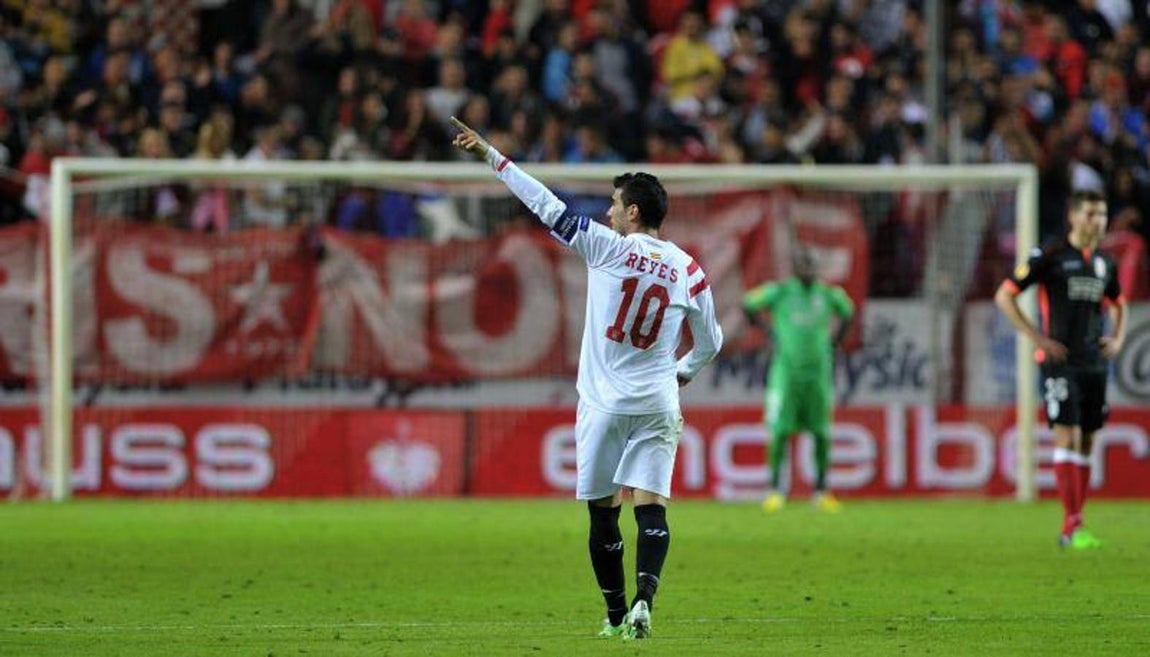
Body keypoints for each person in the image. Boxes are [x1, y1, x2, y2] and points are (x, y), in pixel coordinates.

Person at [450, 116, 724, 640]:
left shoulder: (607, 246)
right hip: (658, 402)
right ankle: (647, 599)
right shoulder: (690, 270)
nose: (608, 211)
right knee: (652, 508)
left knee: (603, 516)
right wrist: (682, 373)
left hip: (603, 405)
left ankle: (616, 614)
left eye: (615, 205)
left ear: (633, 212)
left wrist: (491, 155)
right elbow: (711, 342)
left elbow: (545, 205)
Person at [995, 189, 1127, 550]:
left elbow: (1118, 303)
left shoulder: (1104, 262)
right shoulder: (1050, 254)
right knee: (1066, 437)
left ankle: (1076, 522)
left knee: (1085, 441)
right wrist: (1036, 337)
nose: (1097, 221)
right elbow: (1005, 294)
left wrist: (1117, 339)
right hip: (1059, 362)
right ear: (1073, 216)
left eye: (1101, 215)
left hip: (1094, 364)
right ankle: (1071, 524)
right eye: (1090, 214)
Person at [742, 247, 855, 514]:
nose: (808, 271)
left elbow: (848, 312)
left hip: (818, 375)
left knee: (821, 433)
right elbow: (748, 304)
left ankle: (821, 490)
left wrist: (836, 341)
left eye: (812, 266)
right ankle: (775, 491)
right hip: (786, 374)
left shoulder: (828, 294)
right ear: (795, 268)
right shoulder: (780, 291)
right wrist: (768, 332)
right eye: (804, 266)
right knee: (780, 432)